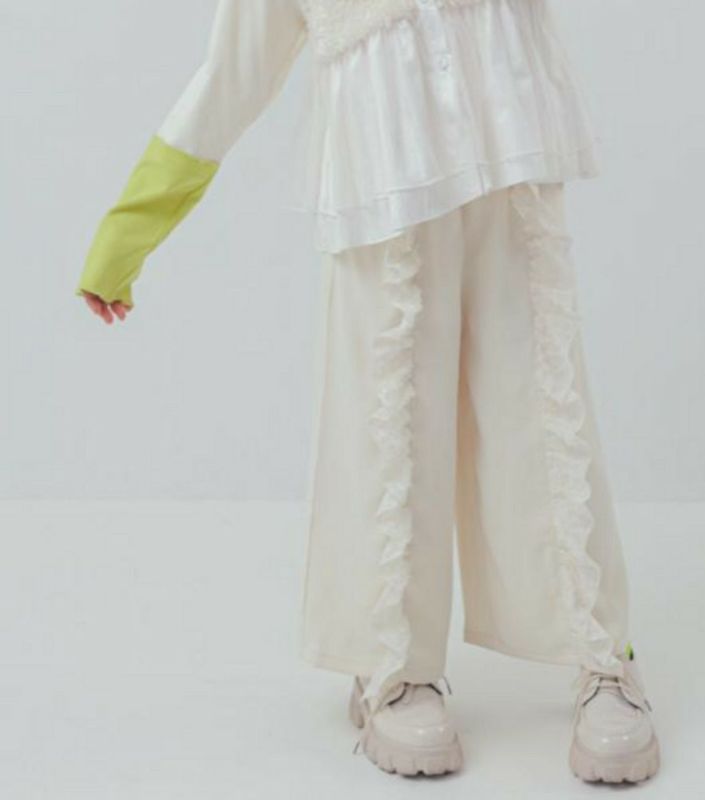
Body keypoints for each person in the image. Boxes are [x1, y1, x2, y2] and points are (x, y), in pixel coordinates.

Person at [75, 0, 661, 784]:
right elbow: (234, 71)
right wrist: (128, 231)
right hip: (383, 177)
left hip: (509, 146)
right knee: (391, 417)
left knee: (543, 404)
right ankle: (391, 661)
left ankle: (600, 649)